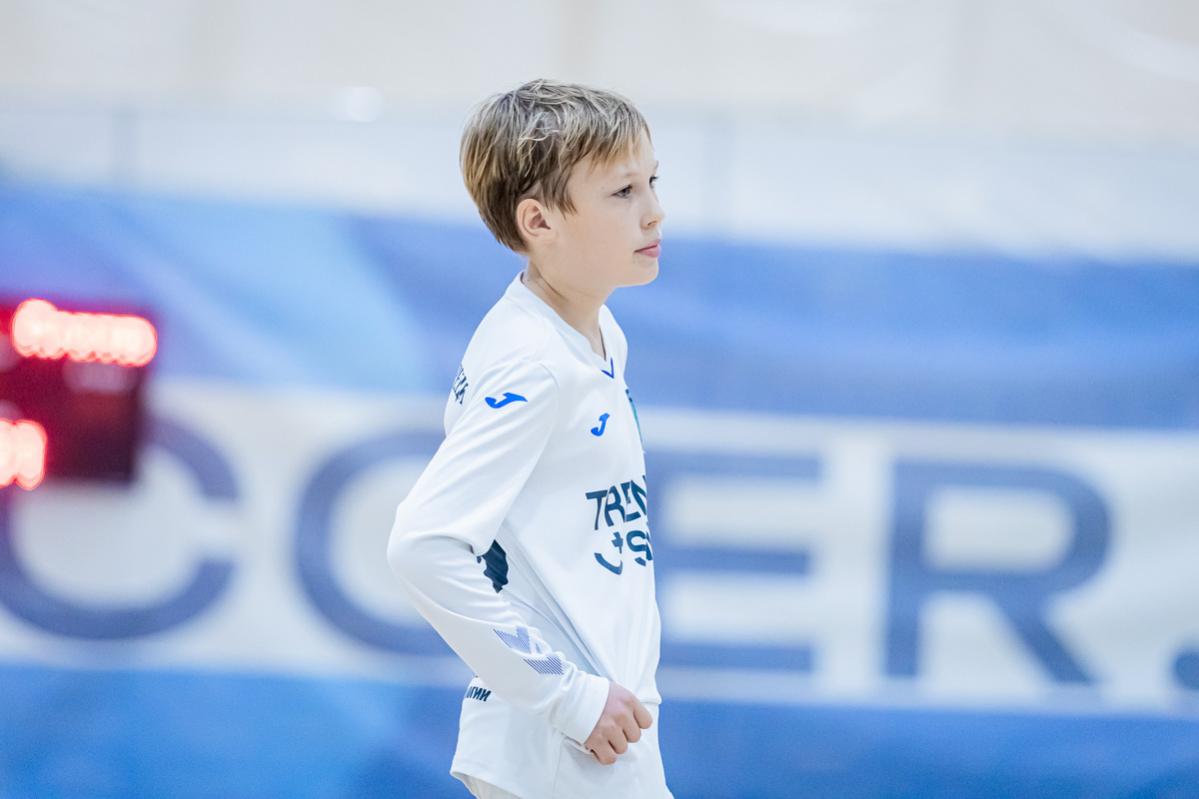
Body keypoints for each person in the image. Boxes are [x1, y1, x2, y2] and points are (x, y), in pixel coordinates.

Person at [386, 78, 671, 799]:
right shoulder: (534, 363)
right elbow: (422, 545)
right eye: (622, 192)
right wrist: (568, 696)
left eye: (651, 182)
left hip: (598, 745)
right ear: (539, 221)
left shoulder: (597, 335)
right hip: (556, 749)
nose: (653, 211)